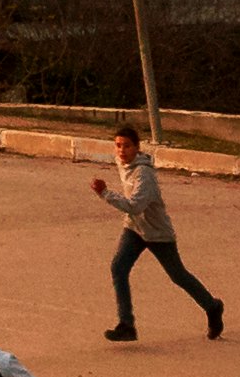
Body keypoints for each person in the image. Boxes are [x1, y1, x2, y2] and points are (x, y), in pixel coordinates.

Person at [91, 127, 224, 342]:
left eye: (127, 146)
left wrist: (105, 194)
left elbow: (135, 205)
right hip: (135, 228)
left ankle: (212, 306)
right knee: (119, 267)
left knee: (178, 275)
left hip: (157, 232)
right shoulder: (122, 163)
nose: (122, 151)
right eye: (118, 145)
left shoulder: (145, 174)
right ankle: (126, 325)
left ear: (137, 148)